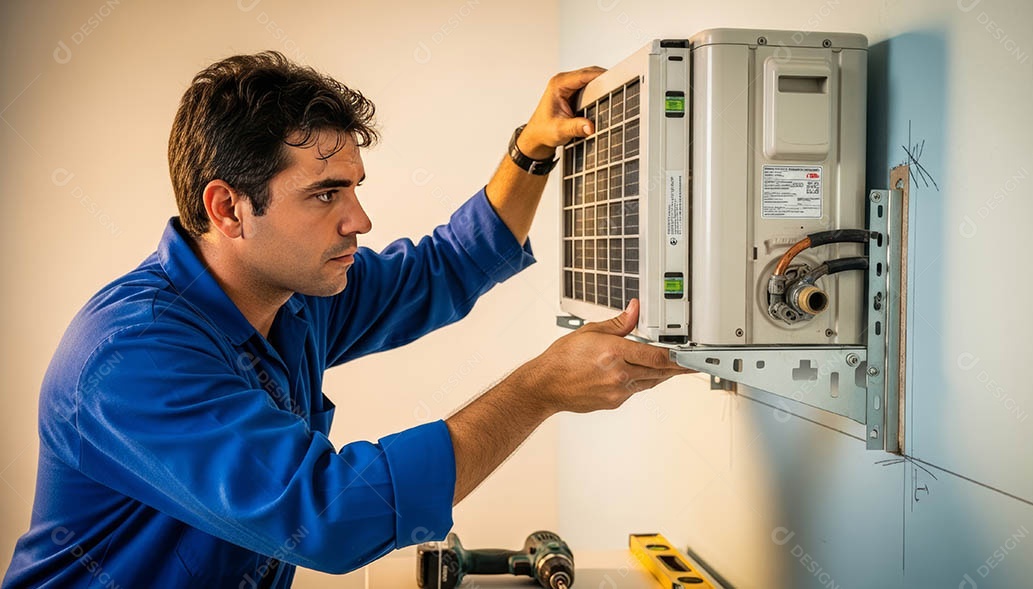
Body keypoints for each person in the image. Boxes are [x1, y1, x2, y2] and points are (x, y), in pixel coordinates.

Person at [3, 51, 690, 588]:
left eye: (354, 187)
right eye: (326, 193)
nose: (358, 220)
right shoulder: (130, 358)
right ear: (227, 209)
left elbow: (442, 269)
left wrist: (530, 152)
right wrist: (537, 390)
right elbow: (327, 515)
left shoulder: (294, 295)